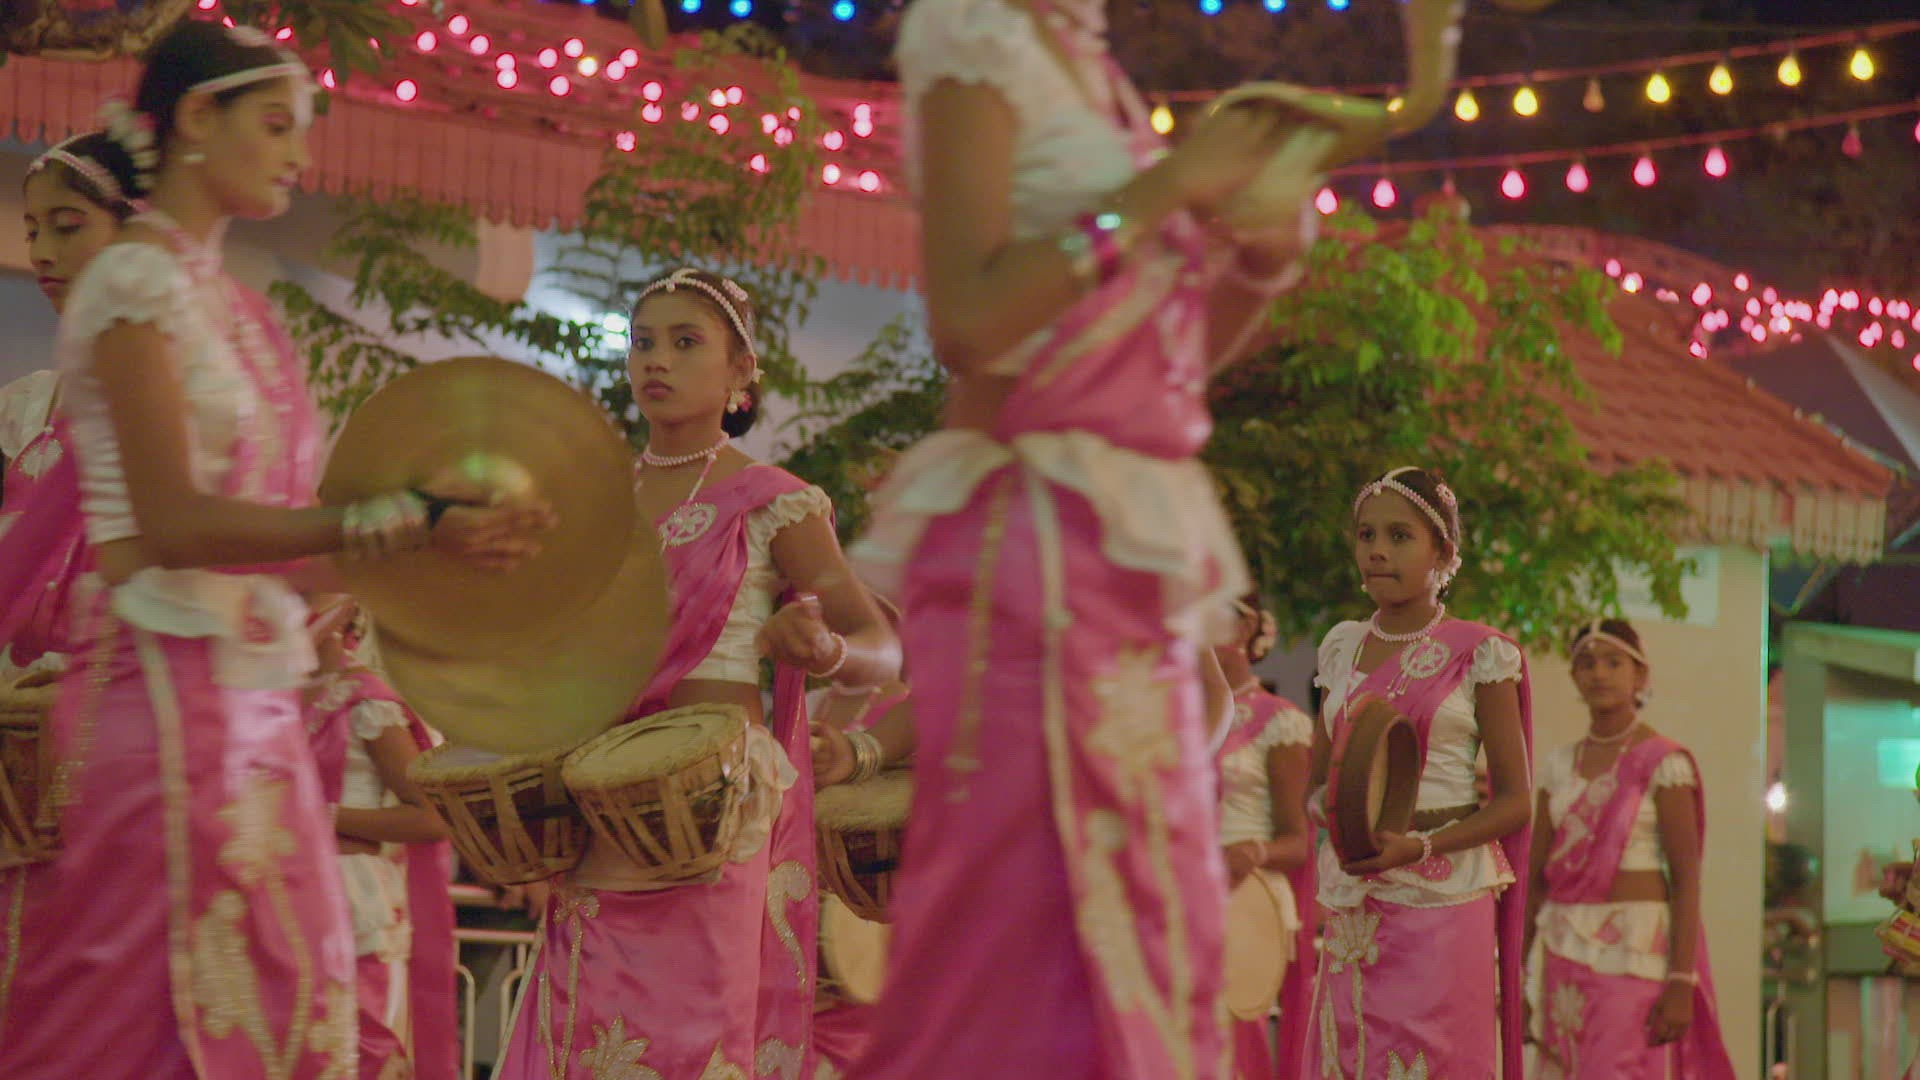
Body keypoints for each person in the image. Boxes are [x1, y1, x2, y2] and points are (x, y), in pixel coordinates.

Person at [0, 22, 551, 1078]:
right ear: (196, 118)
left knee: (291, 1023)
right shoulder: (131, 285)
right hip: (159, 705)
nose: (300, 153)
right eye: (276, 123)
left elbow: (286, 558)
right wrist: (396, 516)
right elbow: (173, 525)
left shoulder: (248, 315)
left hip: (257, 718)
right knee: (147, 1029)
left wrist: (440, 544)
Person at [845, 0, 1321, 1072]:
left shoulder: (1100, 74)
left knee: (1149, 919)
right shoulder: (973, 30)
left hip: (1123, 551)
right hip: (1026, 541)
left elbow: (1160, 367)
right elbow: (970, 321)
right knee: (1017, 924)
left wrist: (1261, 266)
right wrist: (1167, 190)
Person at [495, 267, 899, 1078]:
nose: (657, 360)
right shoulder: (593, 504)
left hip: (713, 814)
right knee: (585, 1028)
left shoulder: (772, 500)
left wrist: (824, 652)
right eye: (643, 342)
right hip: (598, 811)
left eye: (686, 343)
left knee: (694, 1037)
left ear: (740, 370)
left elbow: (881, 646)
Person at [1307, 466, 1533, 1080]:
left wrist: (1421, 846)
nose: (1377, 550)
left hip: (1441, 899)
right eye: (1366, 535)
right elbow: (1315, 785)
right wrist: (1340, 814)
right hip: (1357, 893)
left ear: (1445, 554)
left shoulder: (1480, 653)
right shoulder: (1341, 647)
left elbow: (1515, 803)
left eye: (1400, 536)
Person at [1526, 618, 1737, 1079]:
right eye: (1586, 664)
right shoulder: (1558, 767)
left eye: (1613, 662)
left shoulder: (1663, 763)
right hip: (1561, 946)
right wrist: (1515, 977)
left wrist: (1681, 981)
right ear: (1574, 677)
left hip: (1634, 950)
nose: (1599, 673)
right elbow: (1534, 880)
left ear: (1639, 675)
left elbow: (1686, 880)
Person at [1, 133, 139, 683]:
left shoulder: (191, 399)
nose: (40, 252)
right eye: (33, 230)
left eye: (66, 226)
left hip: (121, 698)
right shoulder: (25, 406)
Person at [304, 598, 458, 1080]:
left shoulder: (367, 699)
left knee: (359, 1052)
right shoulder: (264, 696)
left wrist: (318, 817)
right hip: (284, 891)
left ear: (345, 611)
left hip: (351, 898)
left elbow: (432, 817)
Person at [1212, 596, 1312, 1078]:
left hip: (1247, 901)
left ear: (1244, 626)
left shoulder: (1279, 721)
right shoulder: (1171, 719)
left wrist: (1253, 851)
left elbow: (1299, 840)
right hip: (1181, 894)